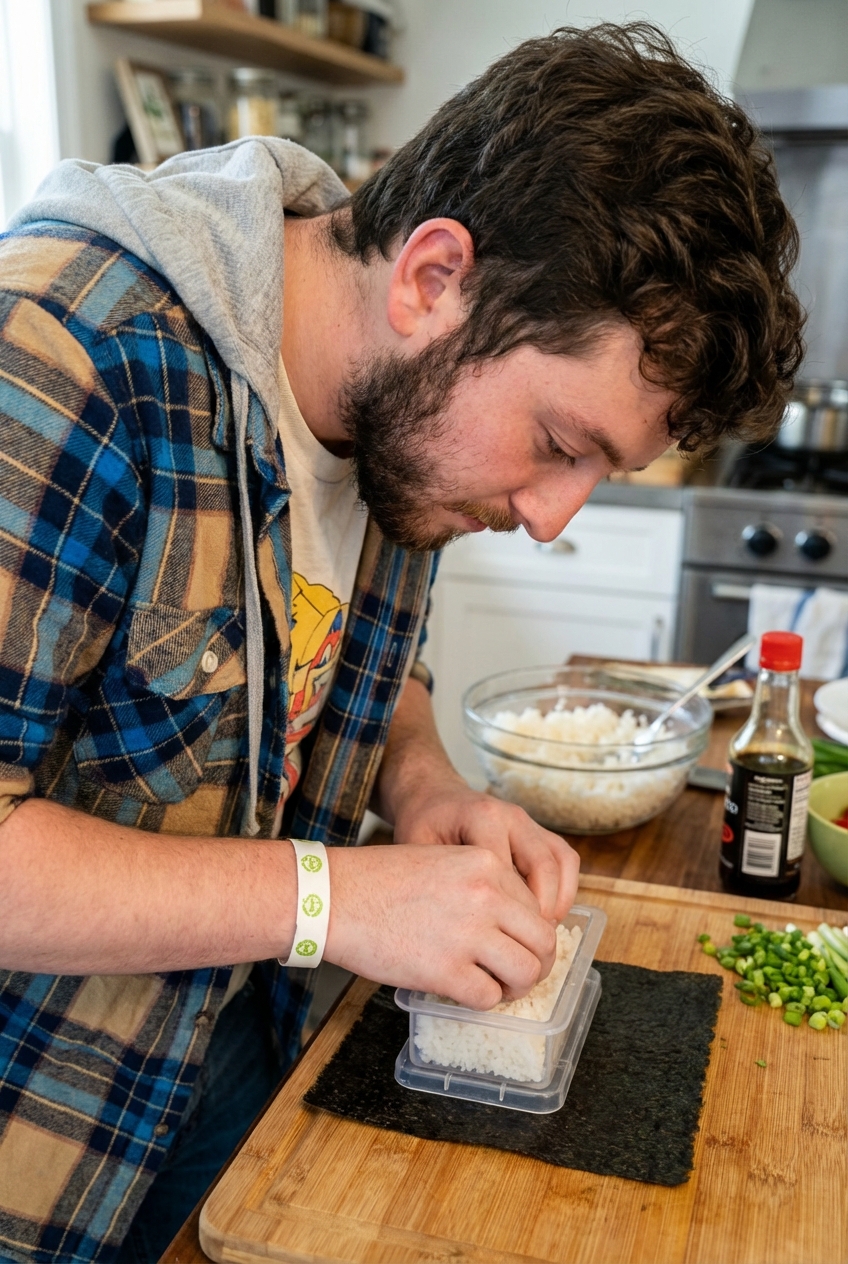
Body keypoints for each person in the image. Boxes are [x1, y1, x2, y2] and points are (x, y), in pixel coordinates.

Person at [0, 21, 802, 1264]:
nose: (549, 517)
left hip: (237, 1043)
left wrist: (421, 784)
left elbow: (329, 652)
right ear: (432, 276)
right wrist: (331, 896)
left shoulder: (392, 415)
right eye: (559, 442)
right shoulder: (61, 356)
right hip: (45, 1124)